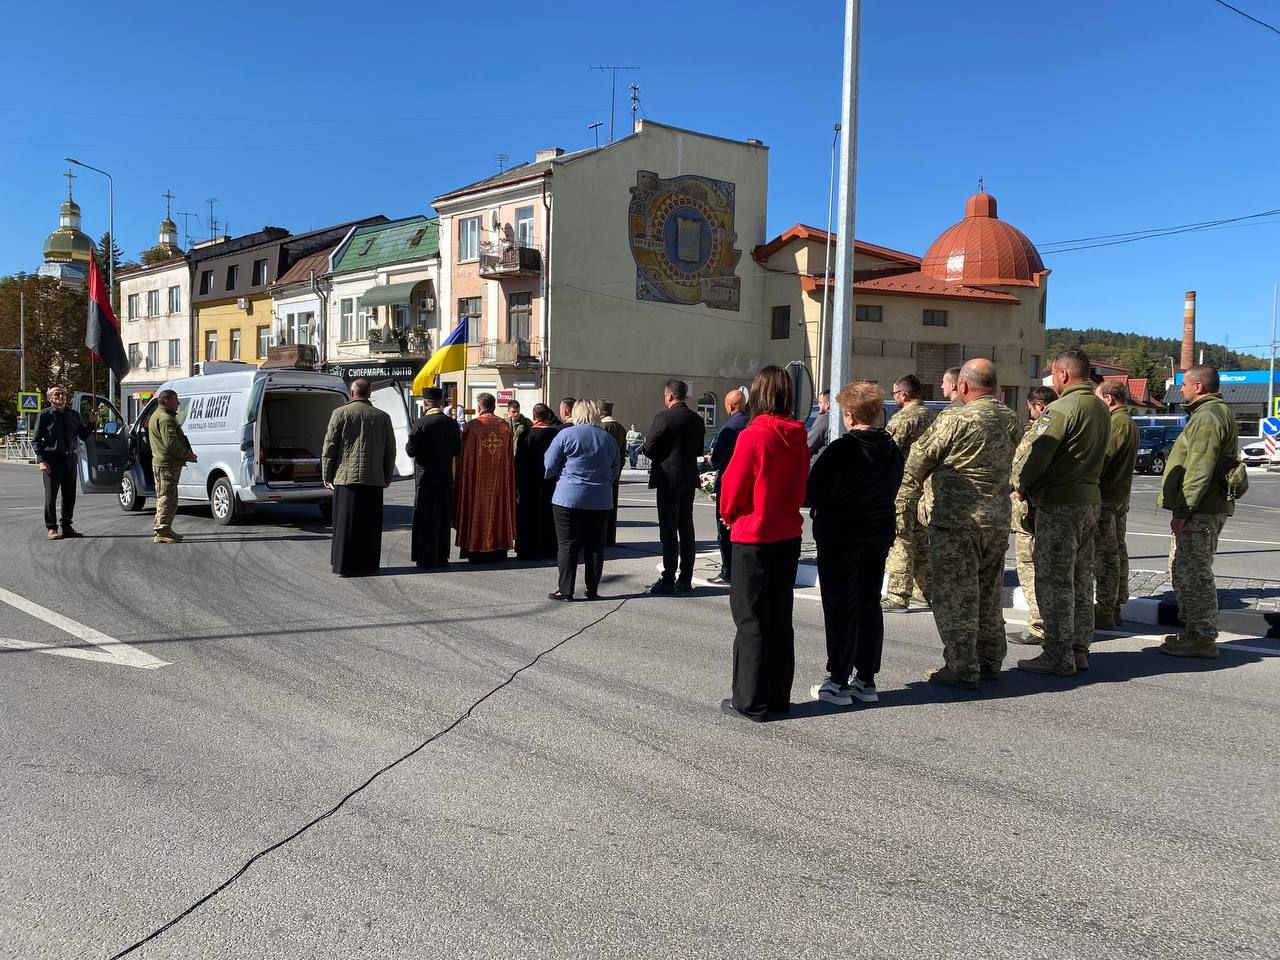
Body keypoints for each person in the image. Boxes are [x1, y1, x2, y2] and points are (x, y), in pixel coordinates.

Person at [899, 359, 1020, 689]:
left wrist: (903, 505)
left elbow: (917, 461)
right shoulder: (1011, 419)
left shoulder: (956, 417)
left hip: (957, 521)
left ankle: (962, 666)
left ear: (963, 386)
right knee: (988, 592)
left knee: (955, 595)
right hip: (996, 521)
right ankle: (989, 659)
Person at [718, 366, 810, 721]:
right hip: (787, 534)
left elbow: (733, 487)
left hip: (754, 535)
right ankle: (777, 696)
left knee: (751, 618)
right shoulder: (798, 435)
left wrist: (729, 514)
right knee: (779, 617)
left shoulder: (753, 435)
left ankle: (751, 700)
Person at [1012, 349, 1110, 675]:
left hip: (1060, 504)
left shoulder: (1061, 408)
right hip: (1090, 500)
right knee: (1081, 579)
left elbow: (1038, 455)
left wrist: (1021, 484)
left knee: (1054, 580)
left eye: (1054, 373)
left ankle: (1057, 654)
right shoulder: (1100, 407)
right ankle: (1079, 649)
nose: (1053, 379)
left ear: (1063, 374)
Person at [807, 382, 904, 705]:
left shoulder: (842, 449)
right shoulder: (892, 449)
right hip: (878, 534)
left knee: (840, 607)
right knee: (869, 604)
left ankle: (837, 680)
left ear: (849, 415)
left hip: (842, 536)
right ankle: (866, 679)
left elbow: (813, 490)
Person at [1156, 364, 1238, 658]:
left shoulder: (1207, 416)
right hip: (1205, 507)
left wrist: (1183, 510)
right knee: (1186, 569)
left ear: (1199, 387)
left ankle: (1202, 638)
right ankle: (1193, 632)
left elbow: (1199, 468)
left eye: (1185, 385)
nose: (1182, 390)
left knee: (1194, 572)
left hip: (1200, 509)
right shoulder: (1214, 412)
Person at [544, 399, 620, 600]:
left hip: (568, 497)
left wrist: (557, 475)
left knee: (567, 544)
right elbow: (615, 467)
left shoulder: (565, 435)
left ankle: (566, 590)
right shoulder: (608, 438)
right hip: (600, 499)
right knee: (595, 545)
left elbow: (550, 465)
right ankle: (592, 589)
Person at [322, 378, 396, 577]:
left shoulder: (340, 413)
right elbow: (390, 450)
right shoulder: (383, 417)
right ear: (369, 394)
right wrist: (386, 476)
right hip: (373, 479)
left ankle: (344, 564)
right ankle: (368, 563)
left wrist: (327, 474)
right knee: (369, 525)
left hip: (346, 478)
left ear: (352, 393)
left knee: (346, 523)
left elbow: (329, 447)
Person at [643, 378, 706, 593]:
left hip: (667, 478)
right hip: (688, 478)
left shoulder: (664, 417)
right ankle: (686, 578)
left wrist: (662, 455)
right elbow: (699, 450)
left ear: (669, 396)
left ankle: (668, 577)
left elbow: (649, 447)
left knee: (668, 529)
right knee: (686, 529)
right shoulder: (696, 419)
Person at [1006, 386, 1058, 645]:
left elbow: (1023, 466)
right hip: (1051, 506)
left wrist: (1018, 487)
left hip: (1030, 509)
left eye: (1031, 409)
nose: (1030, 414)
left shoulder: (1041, 429)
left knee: (1029, 566)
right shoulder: (1064, 426)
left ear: (1039, 405)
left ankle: (1039, 625)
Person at [882, 374, 936, 611]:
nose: (894, 398)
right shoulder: (932, 416)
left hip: (903, 488)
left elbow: (888, 451)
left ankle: (897, 595)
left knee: (900, 540)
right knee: (921, 541)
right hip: (926, 489)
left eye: (894, 394)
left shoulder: (902, 418)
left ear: (903, 395)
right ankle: (923, 592)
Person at [1094, 380, 1139, 628]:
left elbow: (1103, 460)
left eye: (1098, 398)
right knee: (1117, 553)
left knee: (1106, 557)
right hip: (1118, 497)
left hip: (1108, 498)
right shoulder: (1127, 421)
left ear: (1109, 398)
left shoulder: (1117, 423)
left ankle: (1105, 609)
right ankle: (1114, 605)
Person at [453, 392, 516, 562]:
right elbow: (509, 458)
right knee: (498, 509)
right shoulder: (505, 426)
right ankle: (498, 548)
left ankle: (475, 549)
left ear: (479, 406)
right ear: (493, 406)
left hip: (477, 481)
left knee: (477, 510)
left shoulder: (473, 427)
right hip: (500, 481)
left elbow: (464, 458)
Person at [406, 386, 461, 568]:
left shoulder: (421, 423)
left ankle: (425, 557)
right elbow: (457, 450)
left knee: (425, 517)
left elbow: (411, 450)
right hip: (445, 476)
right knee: (443, 517)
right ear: (441, 402)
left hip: (425, 478)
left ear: (425, 403)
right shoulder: (451, 423)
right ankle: (441, 556)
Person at [32, 385, 95, 540]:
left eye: (62, 394)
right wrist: (41, 460)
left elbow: (83, 434)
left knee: (69, 496)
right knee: (51, 496)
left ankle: (67, 527)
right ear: (50, 399)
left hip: (70, 458)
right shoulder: (45, 415)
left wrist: (92, 423)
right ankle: (51, 528)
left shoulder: (73, 415)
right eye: (57, 395)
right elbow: (36, 440)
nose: (60, 397)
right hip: (52, 460)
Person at [707, 389, 748, 586]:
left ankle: (728, 571)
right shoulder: (750, 423)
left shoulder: (730, 427)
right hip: (747, 484)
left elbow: (717, 459)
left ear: (730, 406)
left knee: (725, 528)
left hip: (728, 483)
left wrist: (711, 460)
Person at [148, 389, 198, 544]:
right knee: (167, 498)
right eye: (175, 400)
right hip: (167, 465)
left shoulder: (159, 415)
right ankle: (162, 530)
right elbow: (171, 443)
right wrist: (187, 455)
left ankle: (165, 529)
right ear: (166, 401)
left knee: (167, 497)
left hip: (165, 463)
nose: (178, 403)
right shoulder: (165, 418)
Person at [514, 403, 558, 560]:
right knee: (548, 515)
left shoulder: (526, 435)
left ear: (534, 416)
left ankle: (527, 549)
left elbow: (518, 462)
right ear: (548, 416)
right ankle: (549, 548)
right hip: (551, 483)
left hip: (528, 484)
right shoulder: (557, 435)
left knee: (528, 516)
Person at [598, 399, 628, 546]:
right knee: (613, 504)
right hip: (615, 472)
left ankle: (602, 538)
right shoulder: (620, 428)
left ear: (599, 411)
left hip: (603, 472)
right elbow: (622, 453)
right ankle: (611, 537)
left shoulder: (602, 427)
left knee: (601, 506)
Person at [807, 390, 830, 466]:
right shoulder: (835, 419)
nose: (818, 405)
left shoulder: (823, 419)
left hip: (816, 466)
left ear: (827, 404)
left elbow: (808, 444)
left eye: (820, 402)